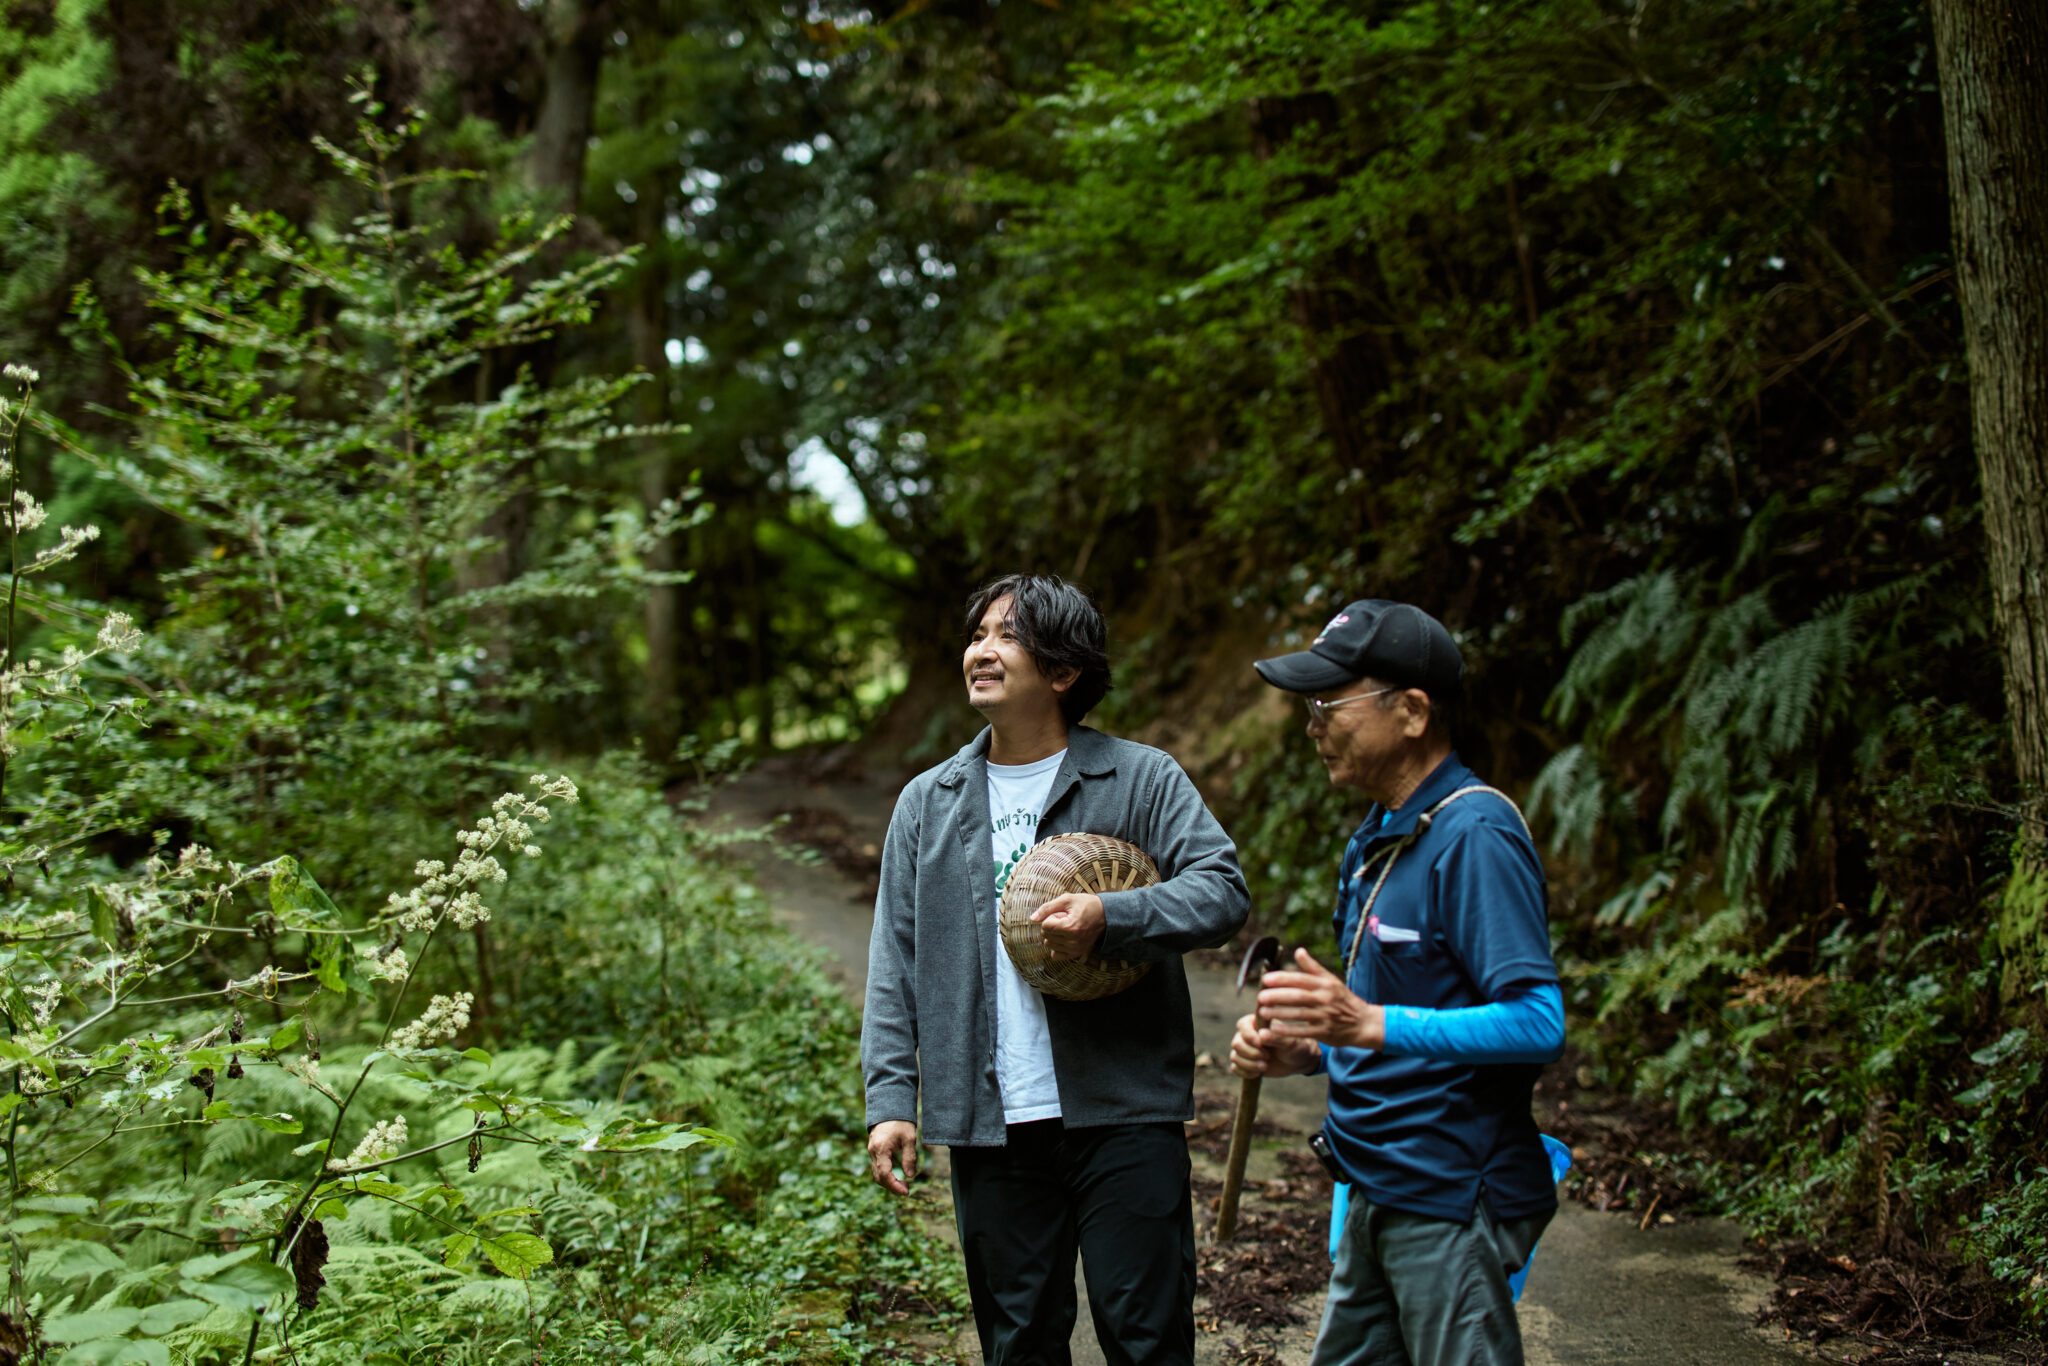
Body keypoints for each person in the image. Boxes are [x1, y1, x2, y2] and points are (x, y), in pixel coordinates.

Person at [863, 573, 1249, 1366]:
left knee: (1147, 1339)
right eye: (977, 635)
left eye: (1006, 635)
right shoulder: (927, 803)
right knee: (1020, 1344)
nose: (982, 650)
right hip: (989, 1123)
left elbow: (1221, 891)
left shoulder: (1141, 778)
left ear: (1064, 672)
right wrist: (890, 1098)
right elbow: (893, 959)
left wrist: (1114, 917)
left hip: (1124, 1112)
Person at [1229, 599, 1566, 1366]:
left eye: (1329, 705)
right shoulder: (1378, 840)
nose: (1312, 726)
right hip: (1373, 1183)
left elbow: (1538, 1022)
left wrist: (1367, 1024)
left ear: (1413, 712)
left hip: (1450, 1196)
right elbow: (1385, 1019)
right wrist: (1311, 1054)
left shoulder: (1475, 834)